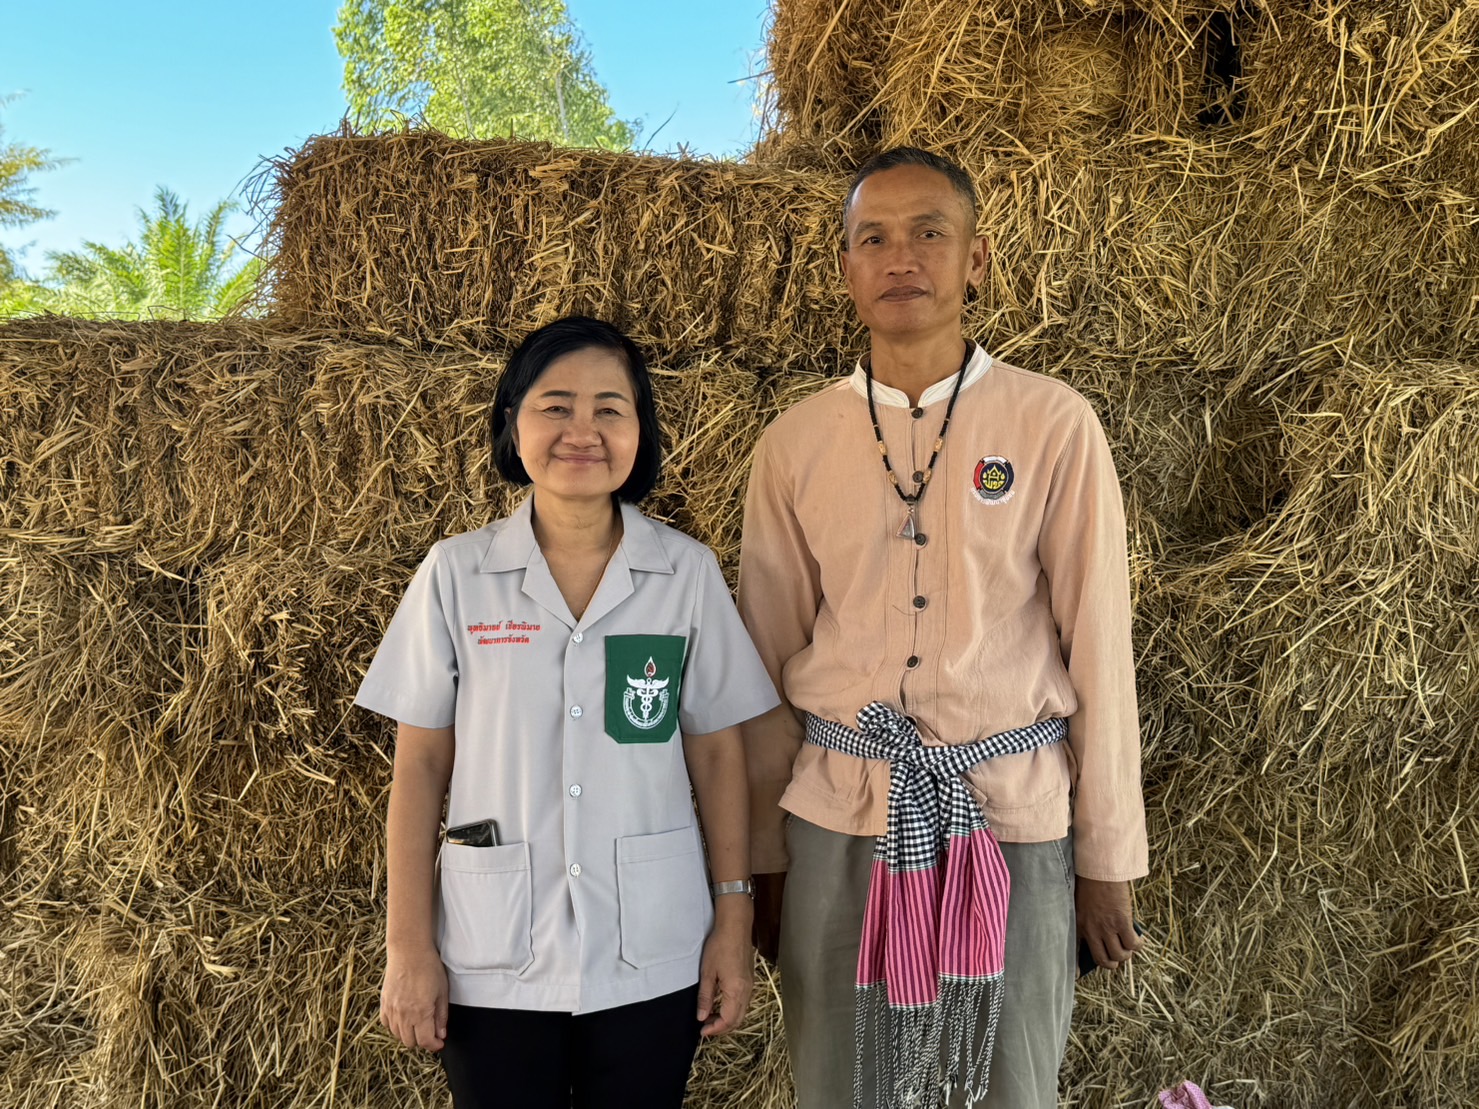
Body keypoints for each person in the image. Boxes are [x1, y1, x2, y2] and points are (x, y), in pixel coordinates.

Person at [738, 147, 1149, 1109]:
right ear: (845, 268)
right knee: (841, 1089)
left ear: (977, 258)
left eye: (929, 232)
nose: (900, 257)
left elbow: (1099, 645)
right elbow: (759, 663)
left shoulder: (1052, 424)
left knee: (1006, 1089)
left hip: (1008, 818)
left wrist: (1104, 857)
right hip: (837, 819)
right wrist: (760, 858)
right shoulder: (793, 444)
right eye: (871, 238)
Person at [355, 316, 780, 1109]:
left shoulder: (683, 573)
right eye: (555, 406)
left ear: (640, 432)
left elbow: (719, 755)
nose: (581, 430)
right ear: (512, 422)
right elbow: (418, 767)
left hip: (653, 948)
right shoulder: (457, 574)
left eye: (609, 409)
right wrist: (408, 947)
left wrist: (732, 919)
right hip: (493, 956)